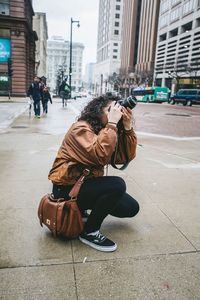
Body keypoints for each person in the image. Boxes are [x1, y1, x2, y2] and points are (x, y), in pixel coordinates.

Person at [48, 95, 139, 252]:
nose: (115, 114)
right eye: (110, 110)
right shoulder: (80, 129)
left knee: (131, 208)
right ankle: (90, 232)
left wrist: (127, 127)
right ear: (97, 111)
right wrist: (111, 124)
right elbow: (99, 154)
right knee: (117, 185)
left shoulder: (103, 131)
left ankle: (81, 210)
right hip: (66, 190)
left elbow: (124, 157)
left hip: (83, 186)